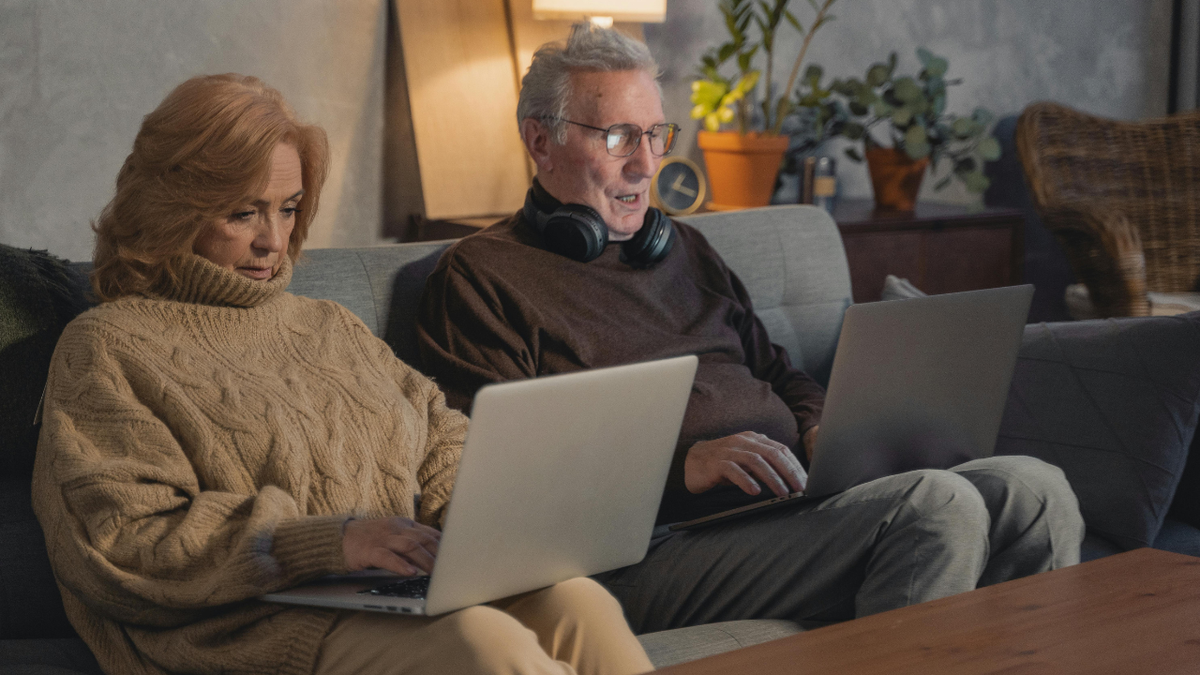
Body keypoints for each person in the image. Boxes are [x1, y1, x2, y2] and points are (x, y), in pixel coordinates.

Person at [417, 24, 1086, 634]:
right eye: (617, 136)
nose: (646, 165)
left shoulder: (682, 248)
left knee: (1033, 487)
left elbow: (781, 372)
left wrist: (826, 427)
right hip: (647, 549)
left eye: (656, 135)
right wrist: (682, 465)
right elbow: (497, 487)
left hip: (786, 500)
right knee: (937, 505)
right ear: (541, 140)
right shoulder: (481, 277)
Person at [31, 73, 652, 675]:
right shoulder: (108, 347)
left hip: (390, 593)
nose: (274, 241)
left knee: (578, 602)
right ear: (172, 209)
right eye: (244, 213)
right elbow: (122, 542)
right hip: (243, 625)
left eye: (289, 209)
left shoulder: (328, 325)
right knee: (480, 642)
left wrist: (476, 517)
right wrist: (330, 542)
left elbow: (437, 434)